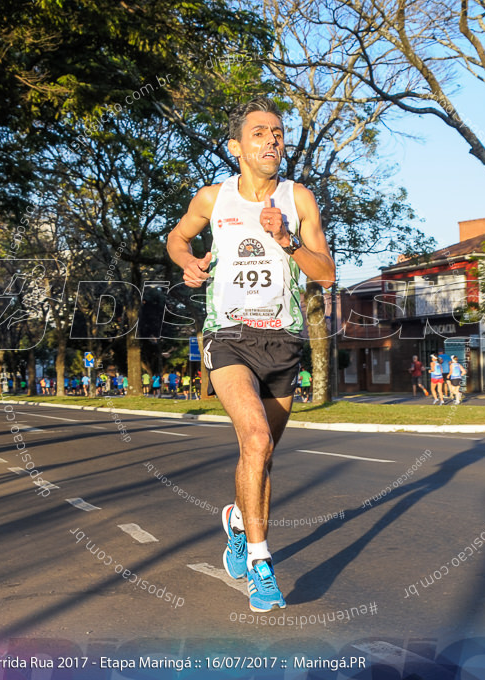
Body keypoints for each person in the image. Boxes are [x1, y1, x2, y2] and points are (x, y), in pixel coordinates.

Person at [167, 96, 335, 612]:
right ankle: (262, 565)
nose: (272, 140)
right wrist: (187, 262)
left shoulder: (299, 199)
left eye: (278, 132)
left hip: (284, 341)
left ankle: (239, 523)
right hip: (228, 335)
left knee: (261, 456)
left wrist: (285, 240)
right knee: (256, 437)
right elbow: (176, 238)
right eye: (260, 132)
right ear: (236, 146)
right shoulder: (212, 200)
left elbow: (325, 273)